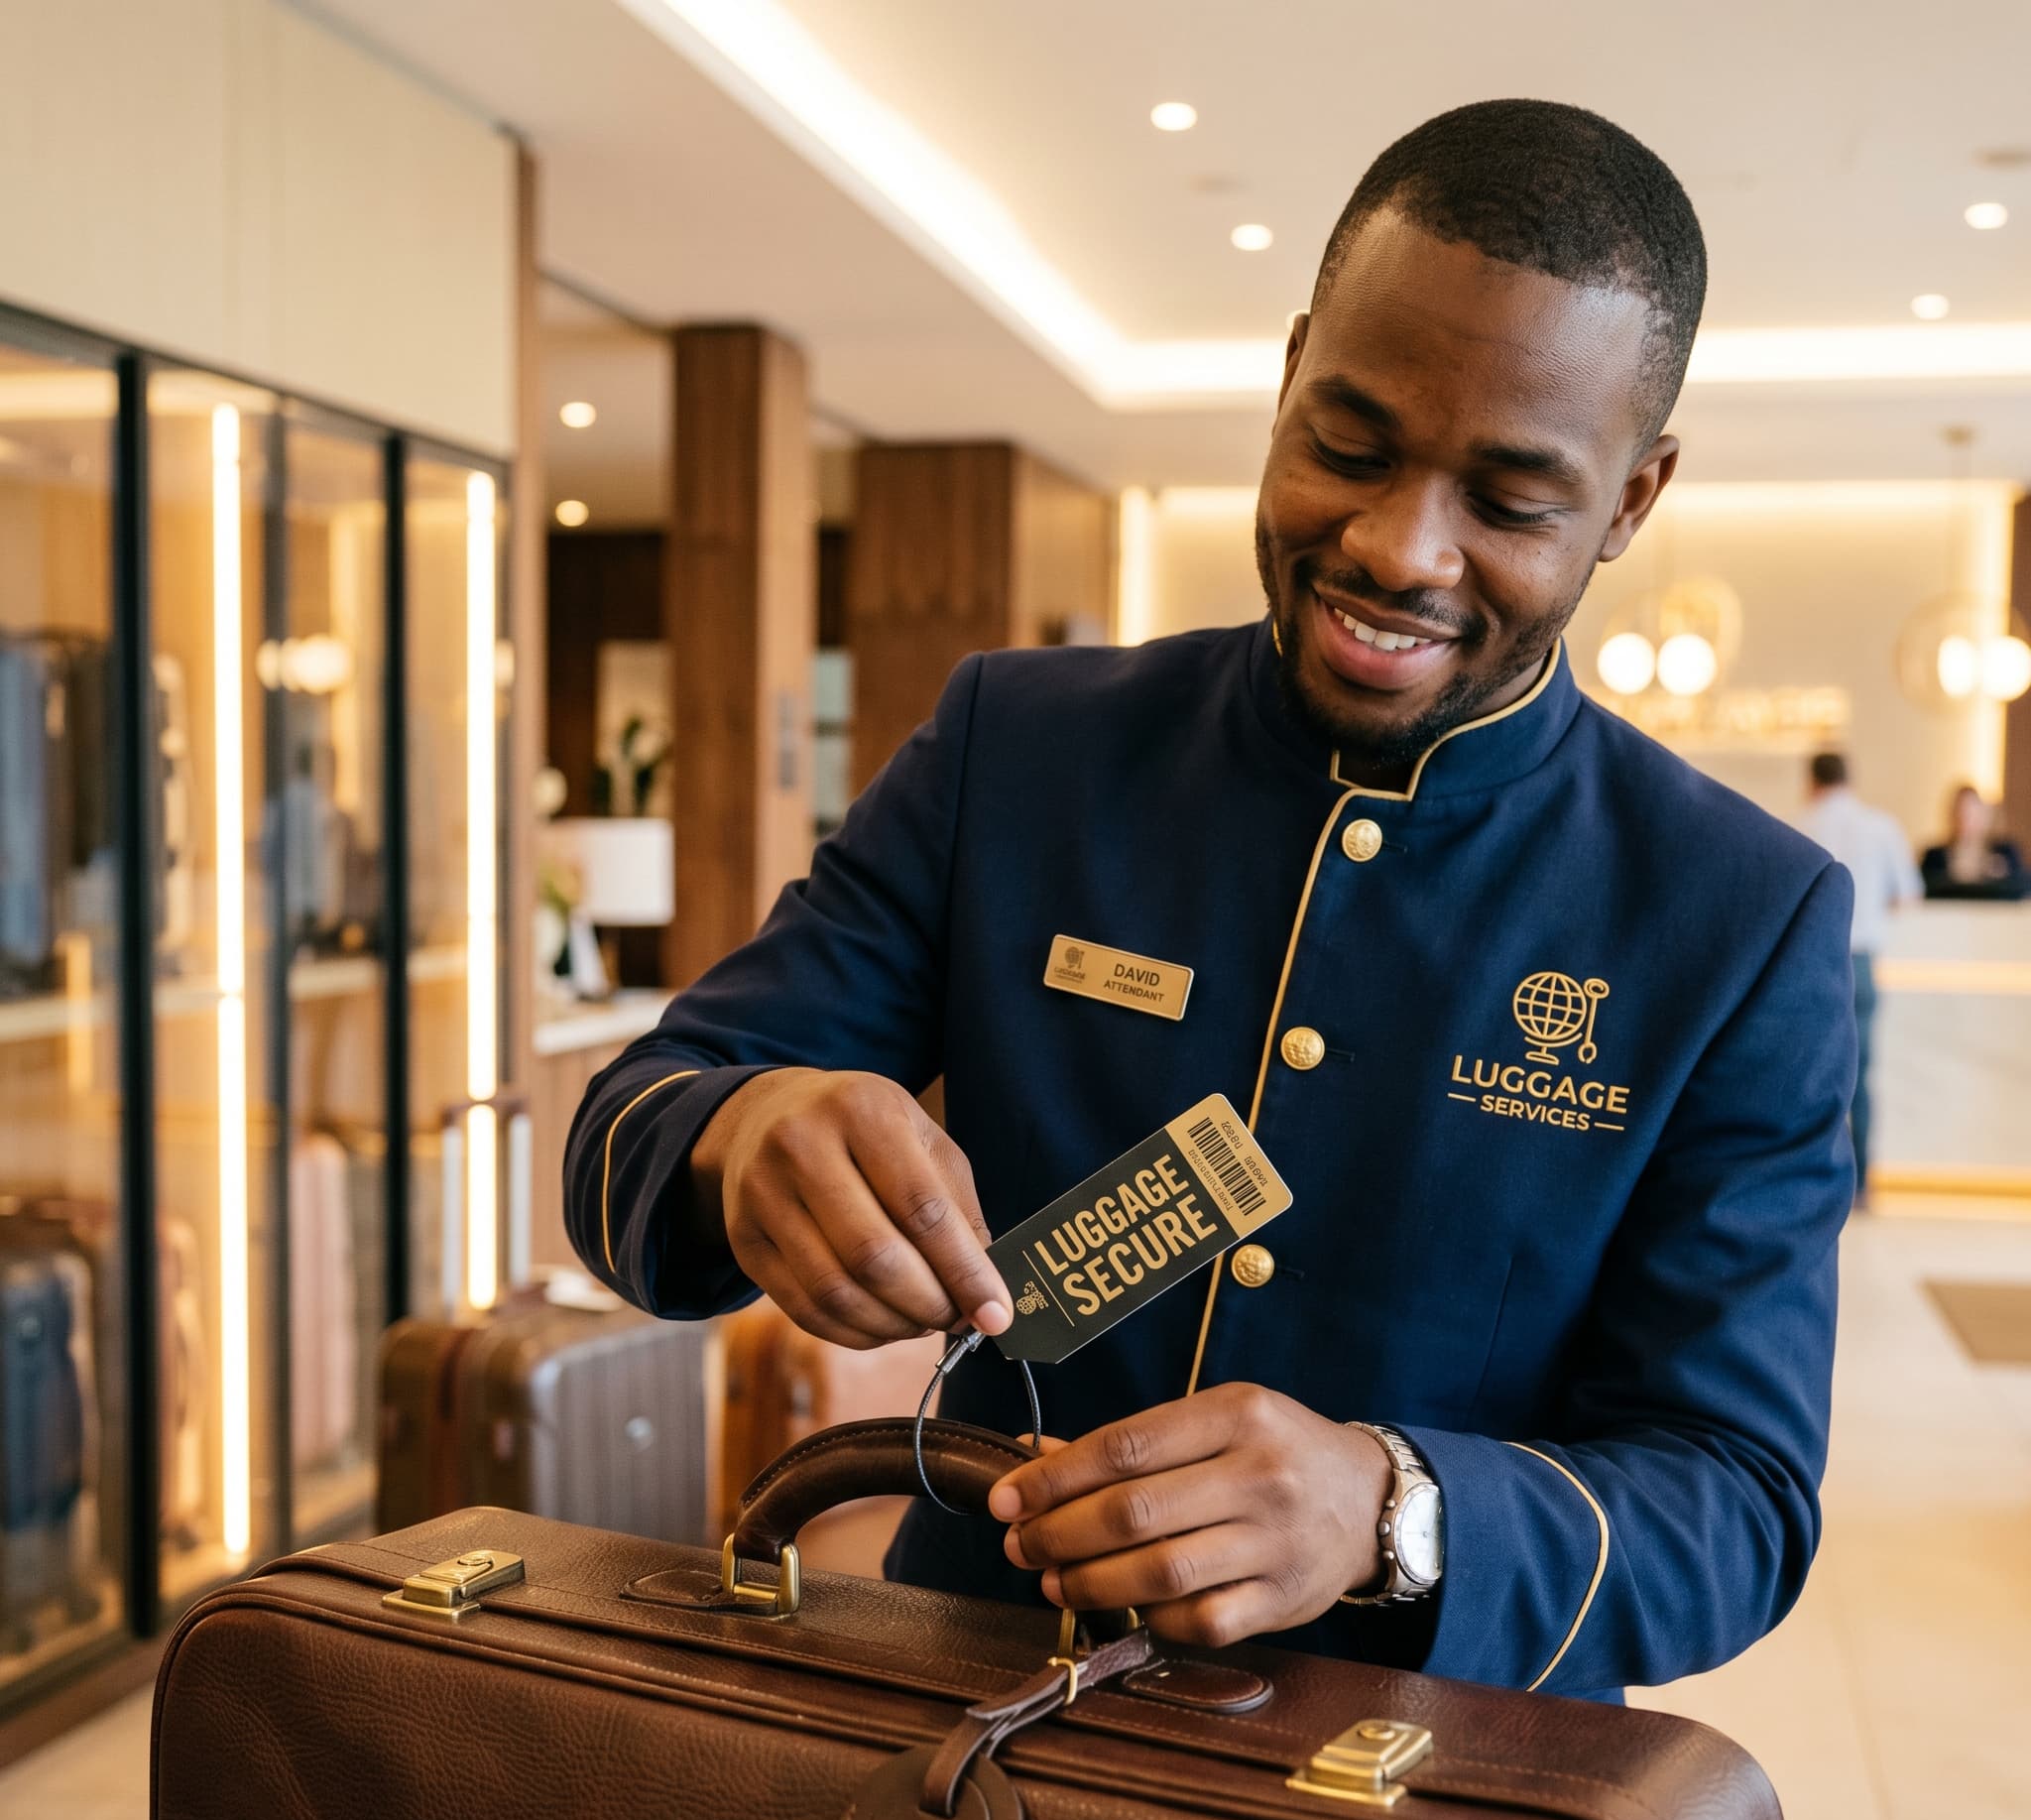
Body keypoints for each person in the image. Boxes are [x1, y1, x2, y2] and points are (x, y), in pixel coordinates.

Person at [566, 100, 1856, 1702]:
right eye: (1348, 445)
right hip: (956, 1726)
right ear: (1290, 371)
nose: (1398, 548)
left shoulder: (1739, 917)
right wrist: (741, 1133)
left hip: (1412, 1808)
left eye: (1510, 501)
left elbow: (1732, 1496)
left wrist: (1393, 1511)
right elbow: (635, 1115)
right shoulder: (1013, 747)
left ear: (1631, 500)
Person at [1792, 753, 1919, 1202]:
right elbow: (1907, 897)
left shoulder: (1799, 824)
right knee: (1860, 1076)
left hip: (1807, 963)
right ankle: (1860, 1183)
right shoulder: (1881, 826)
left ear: (1813, 782)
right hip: (1862, 961)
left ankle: (1812, 1184)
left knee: (1807, 1077)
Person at [1920, 783, 2027, 901]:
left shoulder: (2005, 852)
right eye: (1961, 813)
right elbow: (1922, 889)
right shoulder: (1934, 856)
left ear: (1985, 815)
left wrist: (2000, 875)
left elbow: (2023, 886)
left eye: (1972, 813)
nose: (1966, 820)